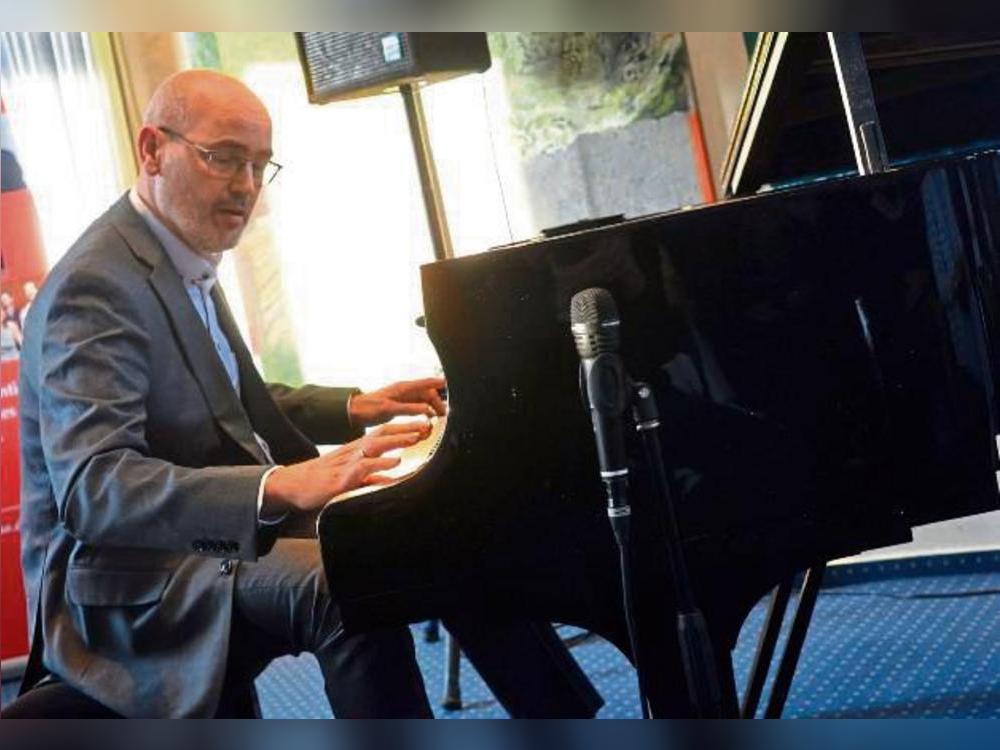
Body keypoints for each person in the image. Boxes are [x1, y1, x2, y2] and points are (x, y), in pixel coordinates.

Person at [16, 70, 600, 718]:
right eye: (224, 158)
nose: (245, 185)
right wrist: (282, 486)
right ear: (153, 150)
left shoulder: (175, 248)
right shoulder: (95, 287)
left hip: (203, 538)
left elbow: (216, 398)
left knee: (442, 529)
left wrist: (350, 408)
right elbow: (96, 489)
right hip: (127, 581)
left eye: (260, 164)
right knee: (345, 586)